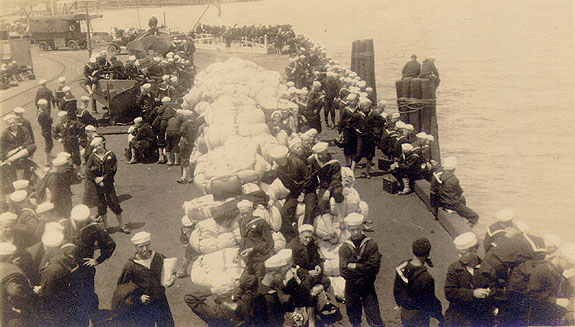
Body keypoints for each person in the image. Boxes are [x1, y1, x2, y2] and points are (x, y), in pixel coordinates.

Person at [61, 204, 116, 326]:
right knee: (73, 293)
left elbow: (110, 244)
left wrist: (98, 260)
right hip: (69, 266)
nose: (80, 226)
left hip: (86, 268)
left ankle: (91, 317)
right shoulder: (68, 223)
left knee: (87, 293)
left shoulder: (95, 228)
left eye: (82, 223)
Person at [114, 231, 175, 327]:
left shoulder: (158, 257)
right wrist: (138, 297)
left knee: (167, 324)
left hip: (161, 301)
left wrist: (172, 279)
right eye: (140, 247)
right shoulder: (131, 264)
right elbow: (122, 288)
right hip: (144, 305)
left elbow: (170, 272)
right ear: (135, 247)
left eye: (147, 245)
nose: (145, 249)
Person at [339, 213, 384, 327]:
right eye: (352, 230)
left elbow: (374, 268)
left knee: (374, 316)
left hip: (367, 285)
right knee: (354, 316)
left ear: (362, 228)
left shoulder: (371, 244)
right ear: (348, 229)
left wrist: (354, 266)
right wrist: (364, 267)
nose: (355, 233)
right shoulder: (344, 248)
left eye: (357, 229)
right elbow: (343, 271)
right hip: (352, 287)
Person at [263, 145, 314, 241]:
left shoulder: (297, 162)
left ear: (286, 156)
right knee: (284, 213)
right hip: (294, 192)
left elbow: (309, 178)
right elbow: (266, 179)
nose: (282, 162)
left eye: (283, 159)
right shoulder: (278, 169)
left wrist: (303, 193)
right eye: (279, 160)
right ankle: (293, 238)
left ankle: (308, 235)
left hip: (308, 190)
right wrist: (273, 169)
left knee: (310, 209)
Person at [443, 232, 494, 326]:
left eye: (462, 253)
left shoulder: (487, 269)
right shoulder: (454, 268)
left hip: (479, 319)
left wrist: (490, 293)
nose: (459, 256)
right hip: (458, 318)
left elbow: (494, 292)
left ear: (474, 251)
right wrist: (473, 294)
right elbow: (449, 292)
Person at [394, 237, 444, 326]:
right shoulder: (426, 278)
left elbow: (396, 290)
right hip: (419, 315)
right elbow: (430, 301)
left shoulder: (402, 266)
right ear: (427, 254)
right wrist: (439, 316)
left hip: (405, 311)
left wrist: (400, 304)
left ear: (413, 251)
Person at [84, 137, 129, 233]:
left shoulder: (110, 155)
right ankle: (106, 226)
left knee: (114, 203)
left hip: (108, 183)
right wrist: (96, 179)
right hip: (97, 184)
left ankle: (122, 225)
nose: (98, 148)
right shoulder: (93, 156)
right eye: (96, 146)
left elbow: (113, 169)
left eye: (99, 145)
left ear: (103, 144)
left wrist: (103, 178)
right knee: (101, 205)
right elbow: (87, 170)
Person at [34, 230, 78, 327]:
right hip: (68, 297)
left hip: (54, 304)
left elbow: (47, 292)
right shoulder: (66, 257)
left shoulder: (51, 269)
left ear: (47, 247)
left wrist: (39, 290)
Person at [252, 249, 301, 327]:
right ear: (274, 274)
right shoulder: (268, 299)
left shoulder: (263, 287)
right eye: (283, 274)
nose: (284, 278)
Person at [430, 157, 479, 225]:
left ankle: (460, 215)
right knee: (475, 216)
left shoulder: (438, 174)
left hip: (439, 201)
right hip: (450, 204)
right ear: (453, 169)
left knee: (461, 199)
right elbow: (459, 192)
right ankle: (465, 227)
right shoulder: (453, 179)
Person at [1, 242, 38, 327]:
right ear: (9, 257)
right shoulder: (13, 271)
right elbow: (14, 291)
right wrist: (18, 307)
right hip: (9, 312)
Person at [238, 200, 274, 278]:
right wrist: (239, 252)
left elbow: (269, 243)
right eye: (242, 214)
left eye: (246, 213)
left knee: (261, 281)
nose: (244, 216)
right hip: (249, 260)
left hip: (261, 258)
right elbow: (243, 239)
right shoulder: (241, 222)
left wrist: (253, 249)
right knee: (244, 283)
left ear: (252, 211)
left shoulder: (260, 223)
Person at [307, 142, 344, 218]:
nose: (320, 156)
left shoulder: (334, 163)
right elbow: (311, 173)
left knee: (337, 193)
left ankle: (341, 213)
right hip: (323, 185)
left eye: (322, 153)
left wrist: (329, 190)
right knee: (321, 203)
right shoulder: (315, 160)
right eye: (318, 154)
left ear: (326, 152)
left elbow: (336, 179)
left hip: (334, 184)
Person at [1, 114, 37, 191]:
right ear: (7, 124)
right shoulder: (5, 133)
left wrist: (18, 148)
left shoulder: (23, 129)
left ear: (16, 121)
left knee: (33, 146)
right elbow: (2, 146)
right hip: (11, 152)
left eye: (13, 122)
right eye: (10, 124)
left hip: (22, 150)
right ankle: (19, 184)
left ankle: (11, 159)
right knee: (20, 160)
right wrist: (3, 156)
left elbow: (28, 141)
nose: (12, 125)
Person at [350, 97, 373, 178]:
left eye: (367, 105)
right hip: (361, 137)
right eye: (363, 106)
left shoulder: (372, 114)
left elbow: (381, 122)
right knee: (358, 154)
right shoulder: (357, 115)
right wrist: (356, 130)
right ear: (361, 107)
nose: (365, 107)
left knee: (370, 155)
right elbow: (351, 124)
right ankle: (352, 172)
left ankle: (367, 172)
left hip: (370, 137)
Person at [37, 99, 54, 166]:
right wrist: (51, 119)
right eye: (45, 105)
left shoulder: (40, 113)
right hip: (46, 131)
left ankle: (49, 156)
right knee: (49, 144)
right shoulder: (43, 114)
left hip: (45, 130)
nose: (46, 106)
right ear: (42, 105)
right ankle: (47, 161)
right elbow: (48, 121)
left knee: (50, 143)